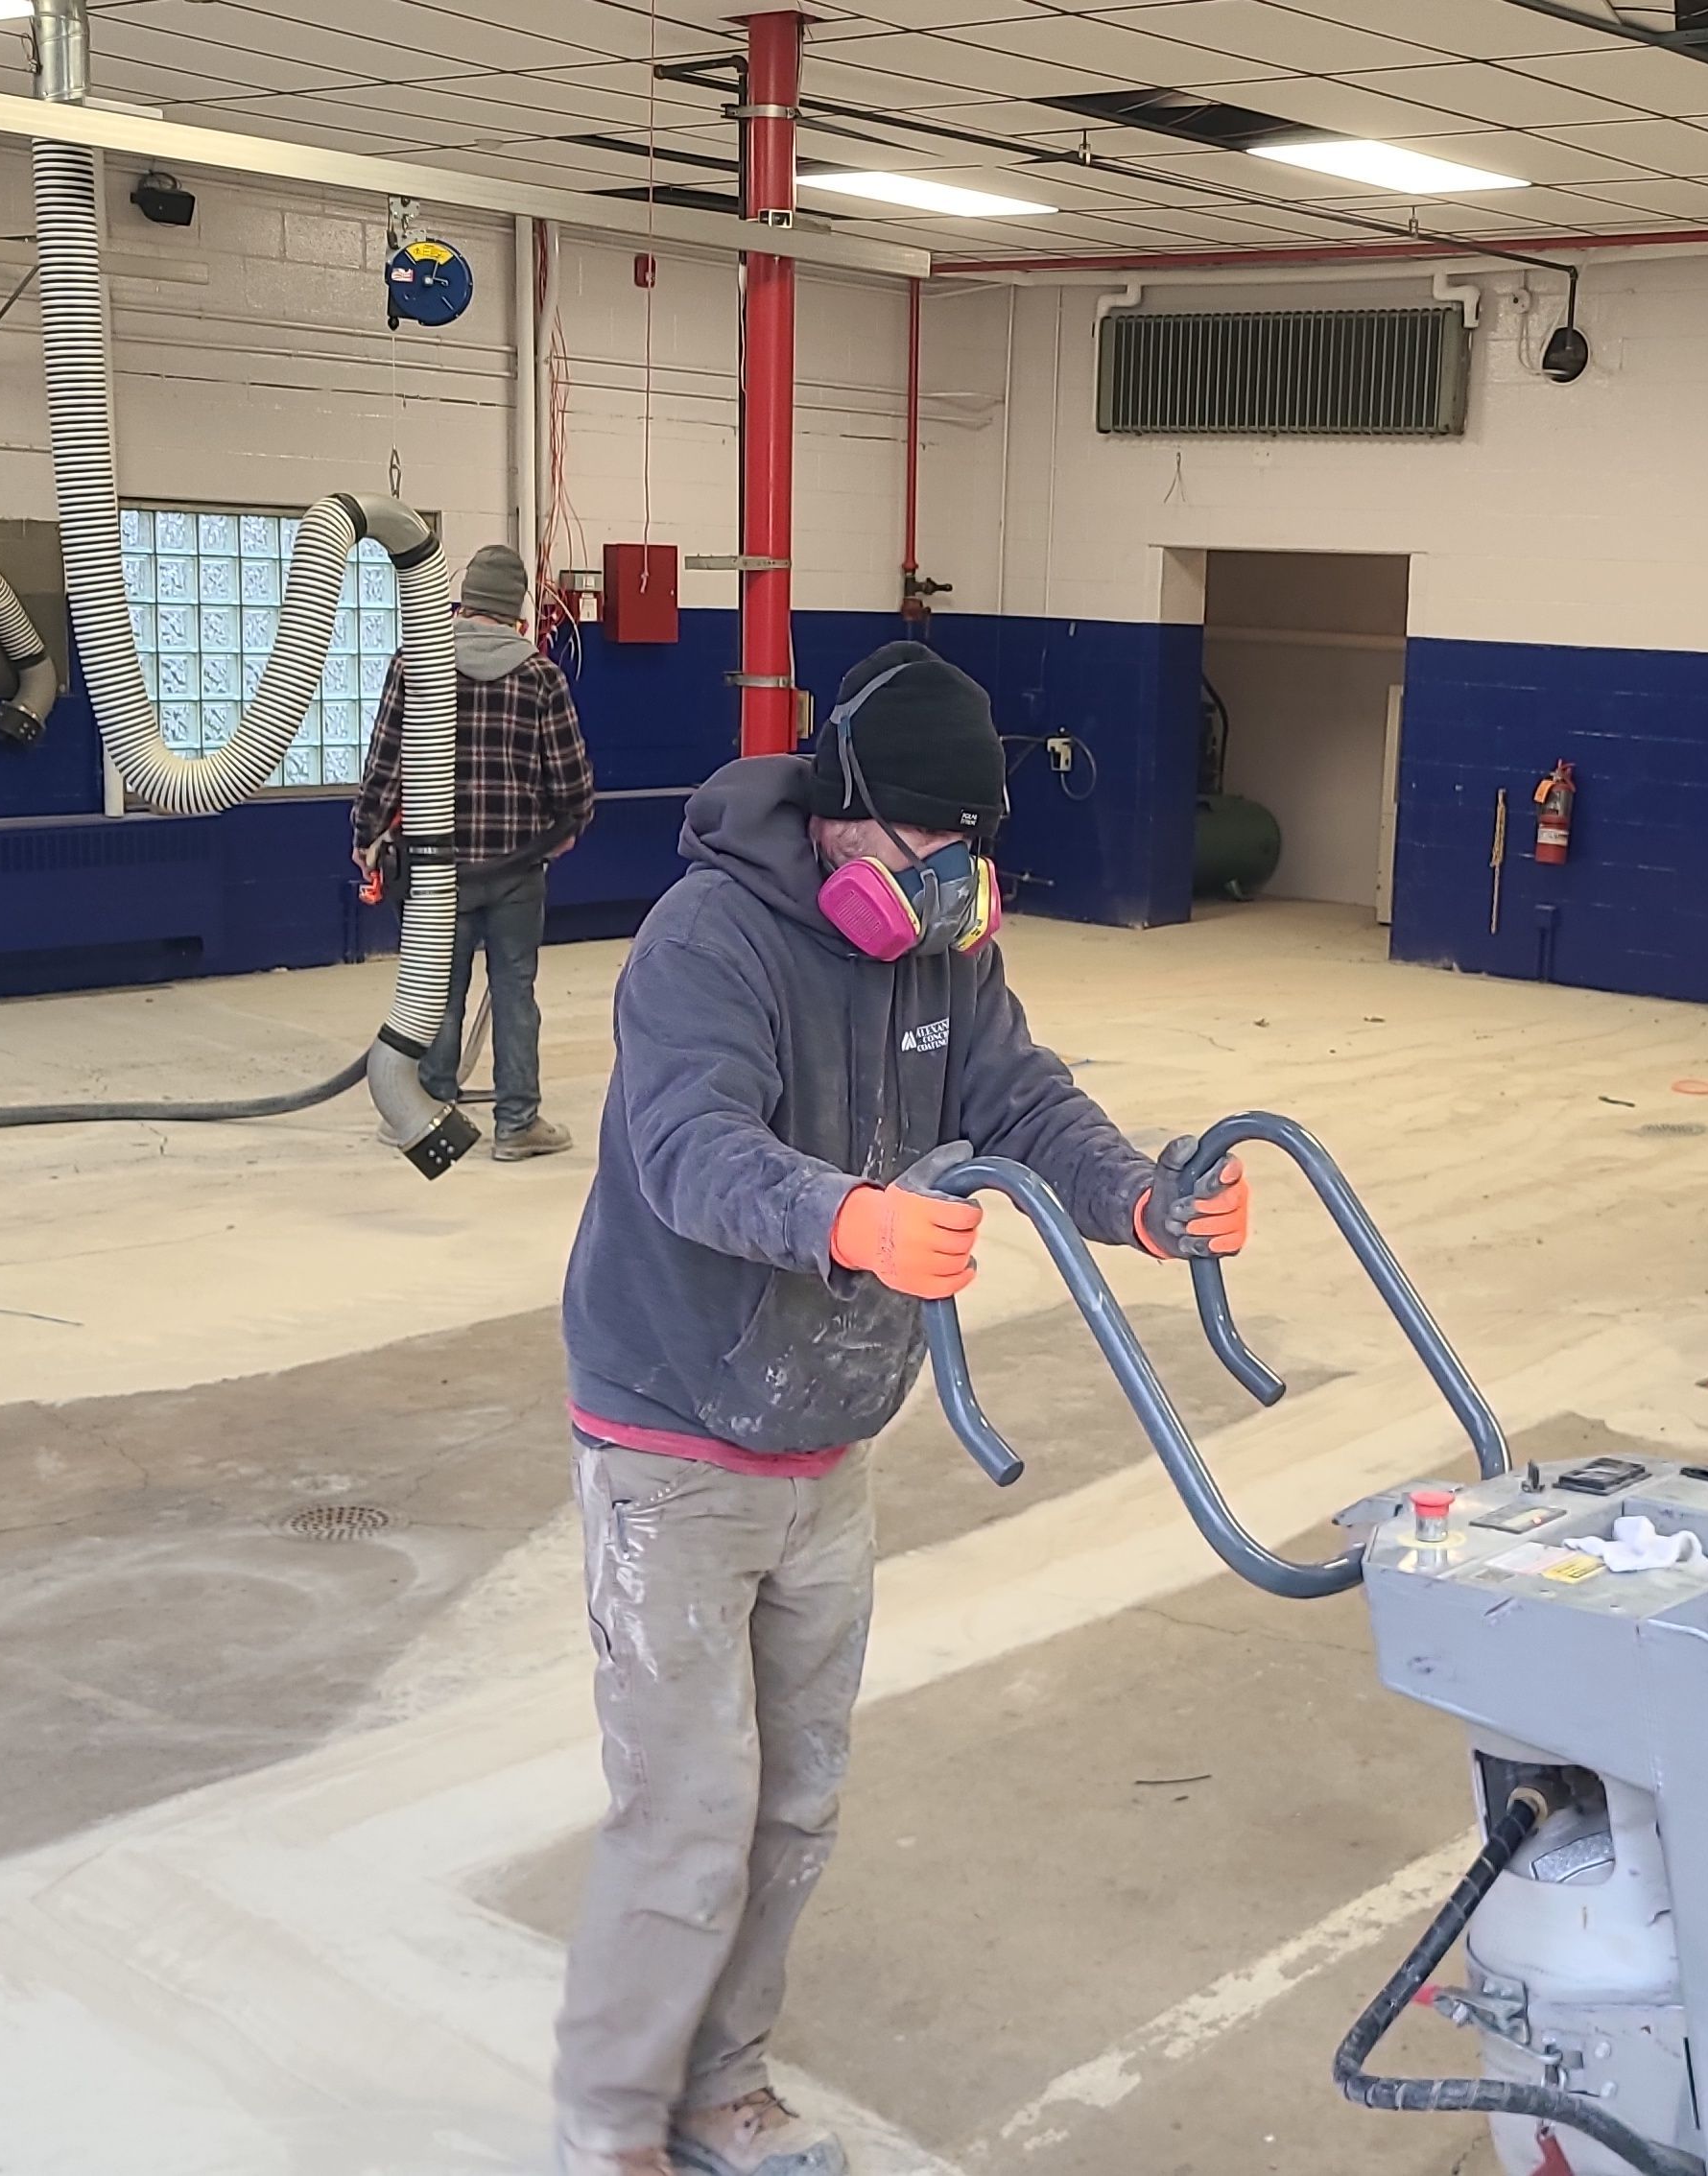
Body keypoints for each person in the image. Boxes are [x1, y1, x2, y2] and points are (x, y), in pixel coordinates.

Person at [547, 642, 1250, 2176]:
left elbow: (1020, 1097)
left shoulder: (948, 953)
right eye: (929, 842)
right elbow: (683, 1146)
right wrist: (848, 1222)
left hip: (831, 1427)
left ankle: (719, 2089)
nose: (952, 877)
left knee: (795, 1804)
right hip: (675, 1427)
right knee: (684, 1819)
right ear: (846, 814)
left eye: (973, 846)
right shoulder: (705, 941)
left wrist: (1137, 1199)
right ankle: (608, 2133)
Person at [352, 540, 592, 1160]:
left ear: (463, 603)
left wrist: (366, 836)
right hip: (518, 870)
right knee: (515, 993)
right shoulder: (541, 676)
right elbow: (571, 783)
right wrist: (563, 832)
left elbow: (384, 764)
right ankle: (517, 1124)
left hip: (437, 872)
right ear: (516, 613)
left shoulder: (417, 664)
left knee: (437, 992)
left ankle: (427, 1107)